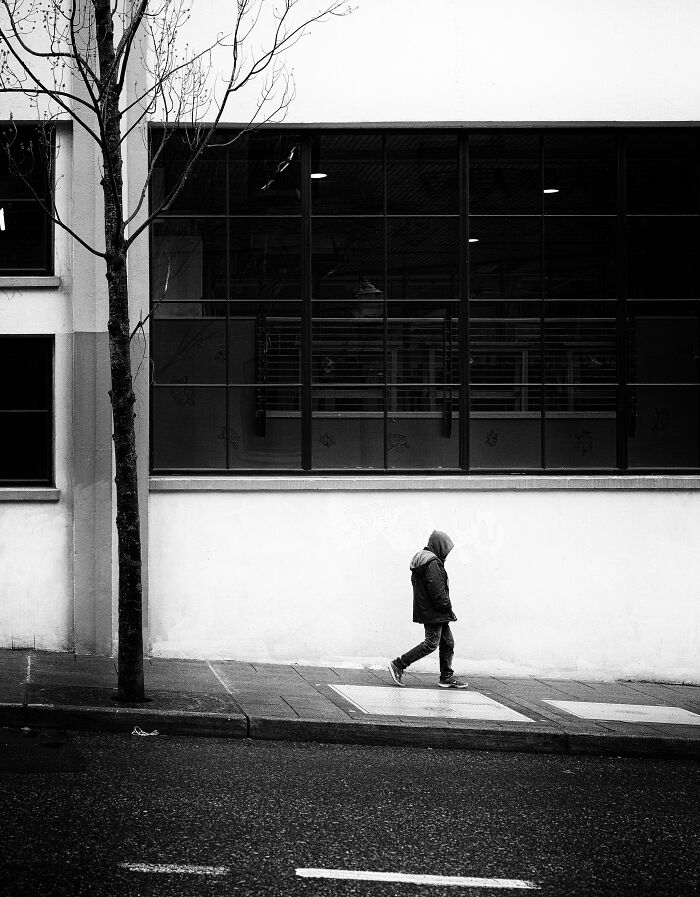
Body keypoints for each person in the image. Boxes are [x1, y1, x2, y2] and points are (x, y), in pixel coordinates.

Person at [388, 530, 468, 689]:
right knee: (431, 643)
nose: (447, 553)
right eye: (446, 548)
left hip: (431, 610)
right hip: (435, 611)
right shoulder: (433, 563)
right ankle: (399, 664)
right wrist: (446, 607)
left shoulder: (423, 560)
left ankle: (446, 676)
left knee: (448, 642)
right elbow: (437, 590)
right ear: (439, 546)